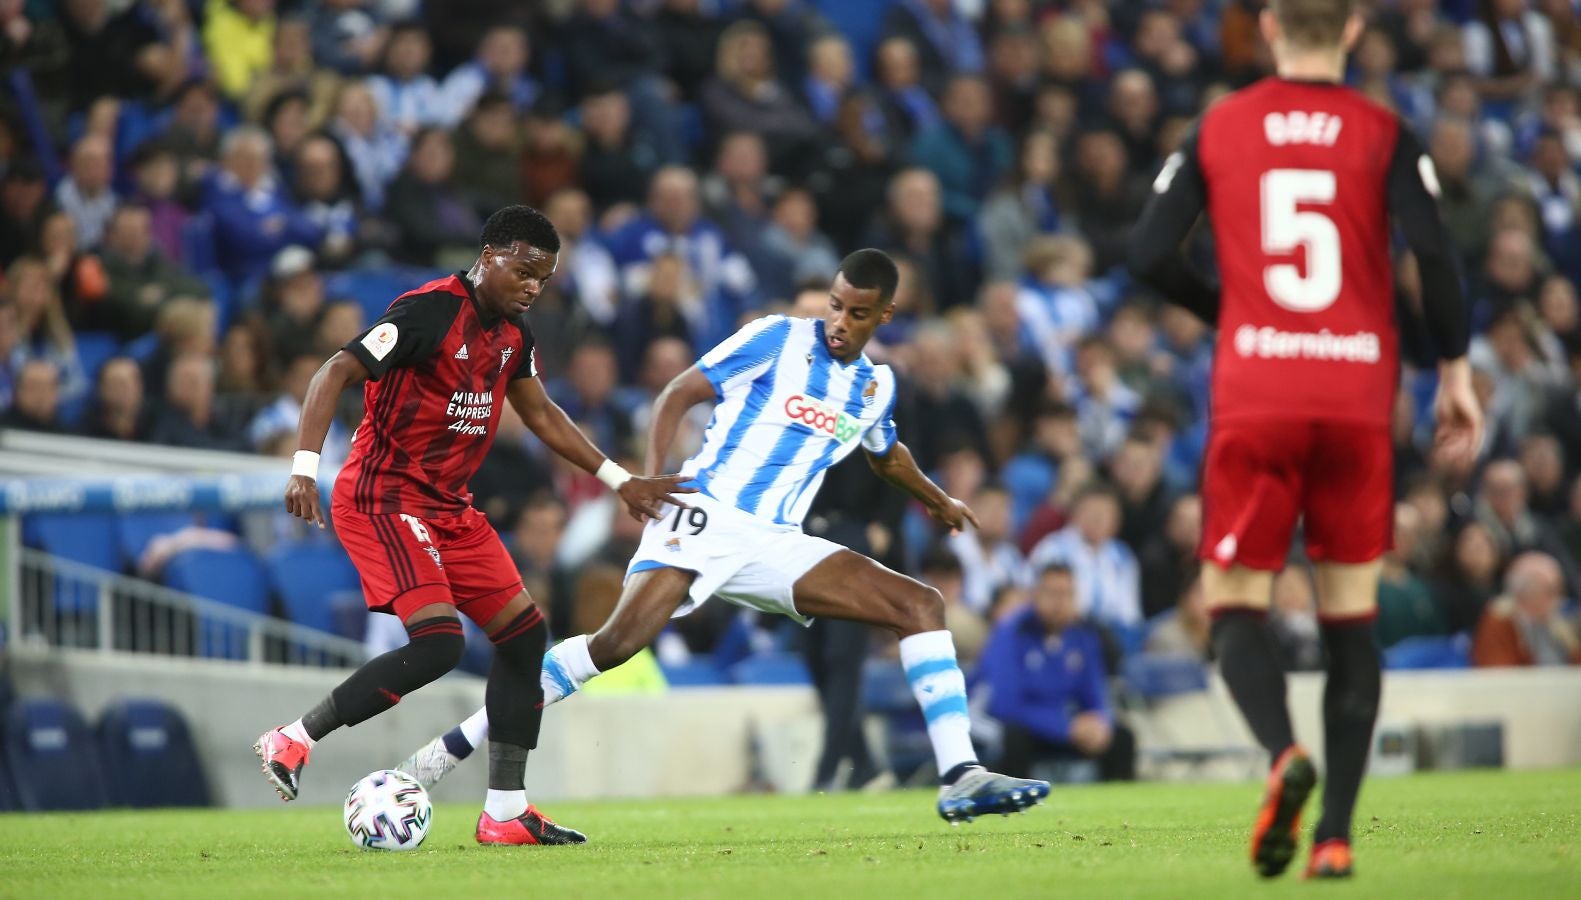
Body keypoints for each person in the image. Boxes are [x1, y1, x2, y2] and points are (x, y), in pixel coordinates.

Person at [397, 249, 1050, 824]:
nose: (838, 323)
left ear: (885, 316)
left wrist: (936, 498)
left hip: (775, 541)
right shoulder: (774, 338)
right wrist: (648, 476)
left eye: (856, 314)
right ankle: (444, 751)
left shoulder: (876, 386)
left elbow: (885, 455)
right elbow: (678, 393)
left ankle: (960, 776)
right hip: (703, 517)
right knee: (613, 646)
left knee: (920, 605)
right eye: (834, 306)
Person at [1128, 0, 1482, 881]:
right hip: (1356, 391)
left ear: (1271, 27)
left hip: (1260, 389)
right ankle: (1334, 837)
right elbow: (1435, 256)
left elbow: (1145, 252)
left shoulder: (1220, 125)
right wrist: (1457, 372)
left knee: (1235, 604)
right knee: (1349, 618)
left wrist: (1231, 313)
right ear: (1354, 30)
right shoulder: (1382, 130)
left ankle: (1283, 754)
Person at [253, 206, 691, 847]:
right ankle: (291, 738)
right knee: (439, 643)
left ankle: (506, 812)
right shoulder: (427, 312)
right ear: (489, 256)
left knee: (523, 637)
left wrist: (622, 481)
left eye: (543, 279)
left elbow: (541, 415)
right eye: (523, 271)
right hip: (384, 497)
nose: (532, 287)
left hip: (448, 507)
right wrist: (303, 467)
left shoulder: (514, 336)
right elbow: (335, 371)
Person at [975, 565, 1121, 784]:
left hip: (1065, 727)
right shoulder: (1012, 632)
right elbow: (1005, 706)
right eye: (1052, 594)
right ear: (1035, 595)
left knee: (1121, 737)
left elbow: (1095, 695)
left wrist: (1100, 724)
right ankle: (1014, 805)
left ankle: (1118, 812)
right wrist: (1065, 727)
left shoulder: (1083, 635)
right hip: (1018, 728)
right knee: (1014, 737)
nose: (1060, 603)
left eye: (1068, 594)